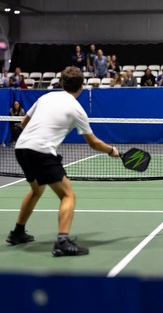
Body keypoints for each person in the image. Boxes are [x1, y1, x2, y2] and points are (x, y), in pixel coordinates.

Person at [7, 66, 120, 256]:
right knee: (68, 195)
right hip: (41, 151)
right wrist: (111, 151)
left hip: (21, 148)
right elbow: (93, 143)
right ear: (81, 86)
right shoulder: (77, 109)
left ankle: (18, 232)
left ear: (61, 83)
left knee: (37, 190)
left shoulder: (46, 97)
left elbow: (24, 122)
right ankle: (62, 242)